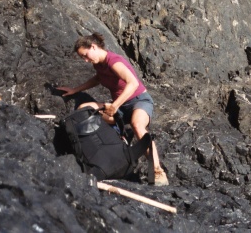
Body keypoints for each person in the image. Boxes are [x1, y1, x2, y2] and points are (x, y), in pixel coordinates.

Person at [57, 33, 168, 186]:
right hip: (120, 106)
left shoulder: (114, 61)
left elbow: (133, 83)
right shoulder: (99, 64)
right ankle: (117, 139)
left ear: (94, 47)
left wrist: (115, 106)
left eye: (86, 55)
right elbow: (97, 79)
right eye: (83, 57)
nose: (86, 60)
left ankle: (157, 171)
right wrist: (75, 90)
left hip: (139, 101)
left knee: (137, 124)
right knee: (86, 110)